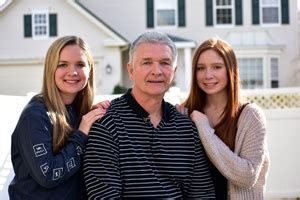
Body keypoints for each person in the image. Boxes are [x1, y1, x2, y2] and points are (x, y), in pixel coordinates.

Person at [83, 31, 216, 199]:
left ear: (173, 71)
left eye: (165, 63)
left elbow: (202, 195)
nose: (157, 71)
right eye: (147, 62)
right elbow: (103, 196)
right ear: (131, 70)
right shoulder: (107, 124)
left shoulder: (186, 127)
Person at [9, 36, 109, 200]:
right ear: (50, 70)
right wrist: (81, 135)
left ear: (90, 70)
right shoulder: (35, 115)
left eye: (80, 64)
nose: (73, 72)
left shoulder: (82, 114)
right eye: (63, 64)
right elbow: (48, 175)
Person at [177, 38, 270, 199]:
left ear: (230, 69)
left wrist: (204, 128)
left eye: (217, 67)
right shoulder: (185, 114)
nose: (208, 75)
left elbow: (247, 177)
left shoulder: (250, 116)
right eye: (200, 68)